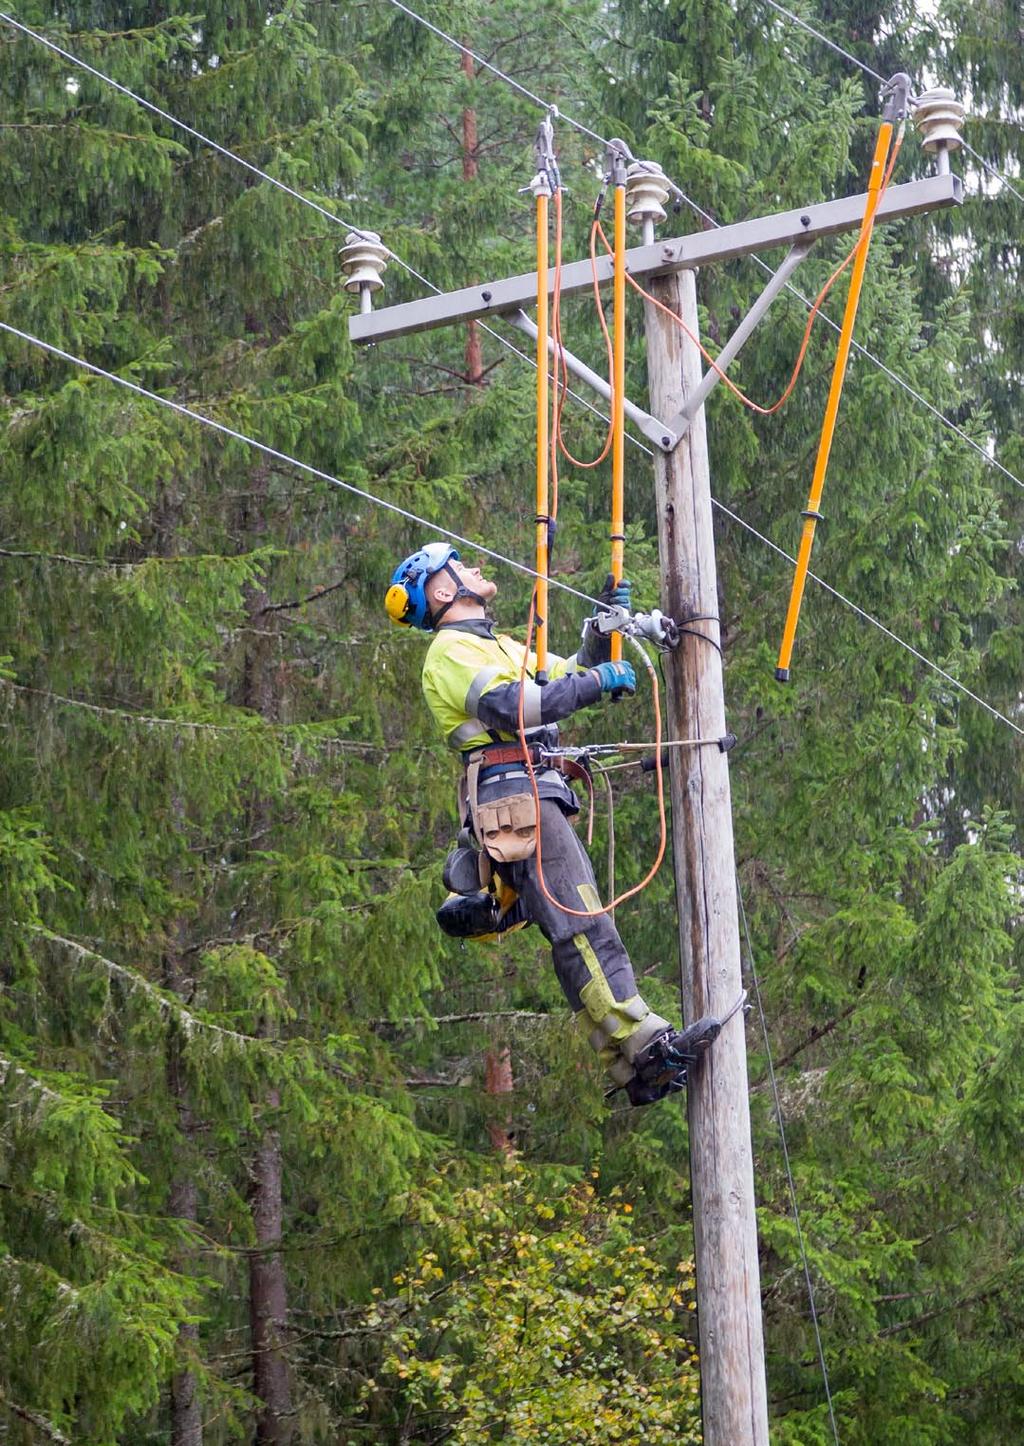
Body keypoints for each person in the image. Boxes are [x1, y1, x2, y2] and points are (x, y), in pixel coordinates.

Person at [385, 541, 721, 1105]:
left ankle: (631, 1061)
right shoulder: (448, 652)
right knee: (580, 923)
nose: (473, 567)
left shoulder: (491, 643)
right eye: (458, 567)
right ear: (442, 592)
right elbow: (519, 706)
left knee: (576, 926)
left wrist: (597, 634)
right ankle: (643, 1042)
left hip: (530, 794)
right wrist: (597, 683)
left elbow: (561, 675)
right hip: (515, 800)